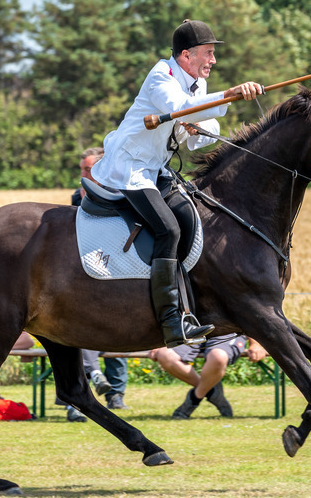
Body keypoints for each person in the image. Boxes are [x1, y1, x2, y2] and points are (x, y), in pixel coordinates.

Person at [90, 19, 263, 348]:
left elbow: (193, 128)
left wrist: (198, 127)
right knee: (168, 230)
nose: (213, 60)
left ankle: (197, 306)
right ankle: (171, 321)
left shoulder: (195, 85)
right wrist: (229, 95)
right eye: (208, 53)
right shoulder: (162, 76)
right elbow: (181, 109)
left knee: (192, 219)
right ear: (186, 55)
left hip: (157, 169)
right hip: (130, 169)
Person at [73, 146, 130, 411]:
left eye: (88, 169)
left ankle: (115, 392)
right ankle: (90, 380)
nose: (84, 174)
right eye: (83, 169)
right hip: (82, 269)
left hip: (115, 267)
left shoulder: (119, 195)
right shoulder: (76, 197)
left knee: (118, 328)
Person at [150, 336, 267, 419]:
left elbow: (248, 311)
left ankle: (193, 400)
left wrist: (255, 343)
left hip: (228, 331)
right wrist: (158, 343)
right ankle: (211, 391)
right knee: (165, 354)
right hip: (193, 330)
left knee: (218, 357)